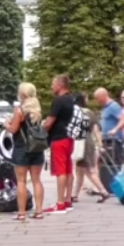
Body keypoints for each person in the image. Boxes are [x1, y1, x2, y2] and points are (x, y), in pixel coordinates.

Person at [4, 82, 46, 221]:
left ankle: (22, 213)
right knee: (37, 180)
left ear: (21, 94)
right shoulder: (37, 110)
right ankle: (39, 211)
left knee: (21, 181)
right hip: (37, 148)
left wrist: (6, 125)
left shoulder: (19, 110)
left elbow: (14, 129)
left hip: (22, 148)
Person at [42, 75, 76, 215]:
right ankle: (67, 200)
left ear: (60, 85)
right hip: (69, 137)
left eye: (53, 84)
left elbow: (49, 122)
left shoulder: (58, 101)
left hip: (59, 138)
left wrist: (41, 132)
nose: (51, 86)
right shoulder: (71, 100)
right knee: (68, 169)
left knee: (60, 170)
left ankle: (60, 203)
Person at [72, 92, 111, 203]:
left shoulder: (73, 113)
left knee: (88, 170)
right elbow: (96, 130)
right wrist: (99, 144)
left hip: (78, 142)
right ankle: (74, 195)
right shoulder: (90, 113)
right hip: (88, 142)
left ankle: (103, 191)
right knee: (80, 170)